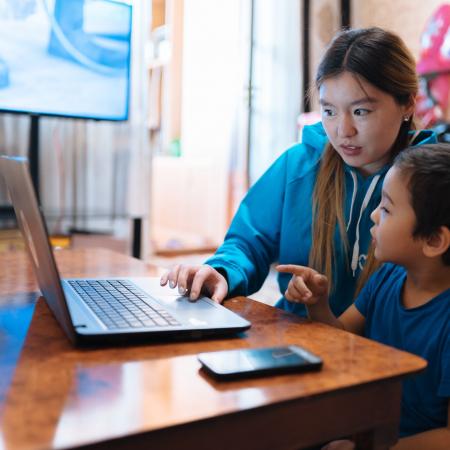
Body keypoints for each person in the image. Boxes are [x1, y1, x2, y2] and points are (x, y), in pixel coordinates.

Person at [160, 27, 436, 318]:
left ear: (407, 103)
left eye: (360, 112)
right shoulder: (298, 165)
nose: (343, 131)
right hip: (299, 339)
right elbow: (247, 243)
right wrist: (222, 272)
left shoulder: (434, 182)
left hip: (392, 353)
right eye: (329, 111)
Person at [278, 144, 450, 450]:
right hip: (366, 427)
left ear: (434, 240)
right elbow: (341, 338)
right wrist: (318, 304)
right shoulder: (388, 276)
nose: (373, 215)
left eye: (386, 209)